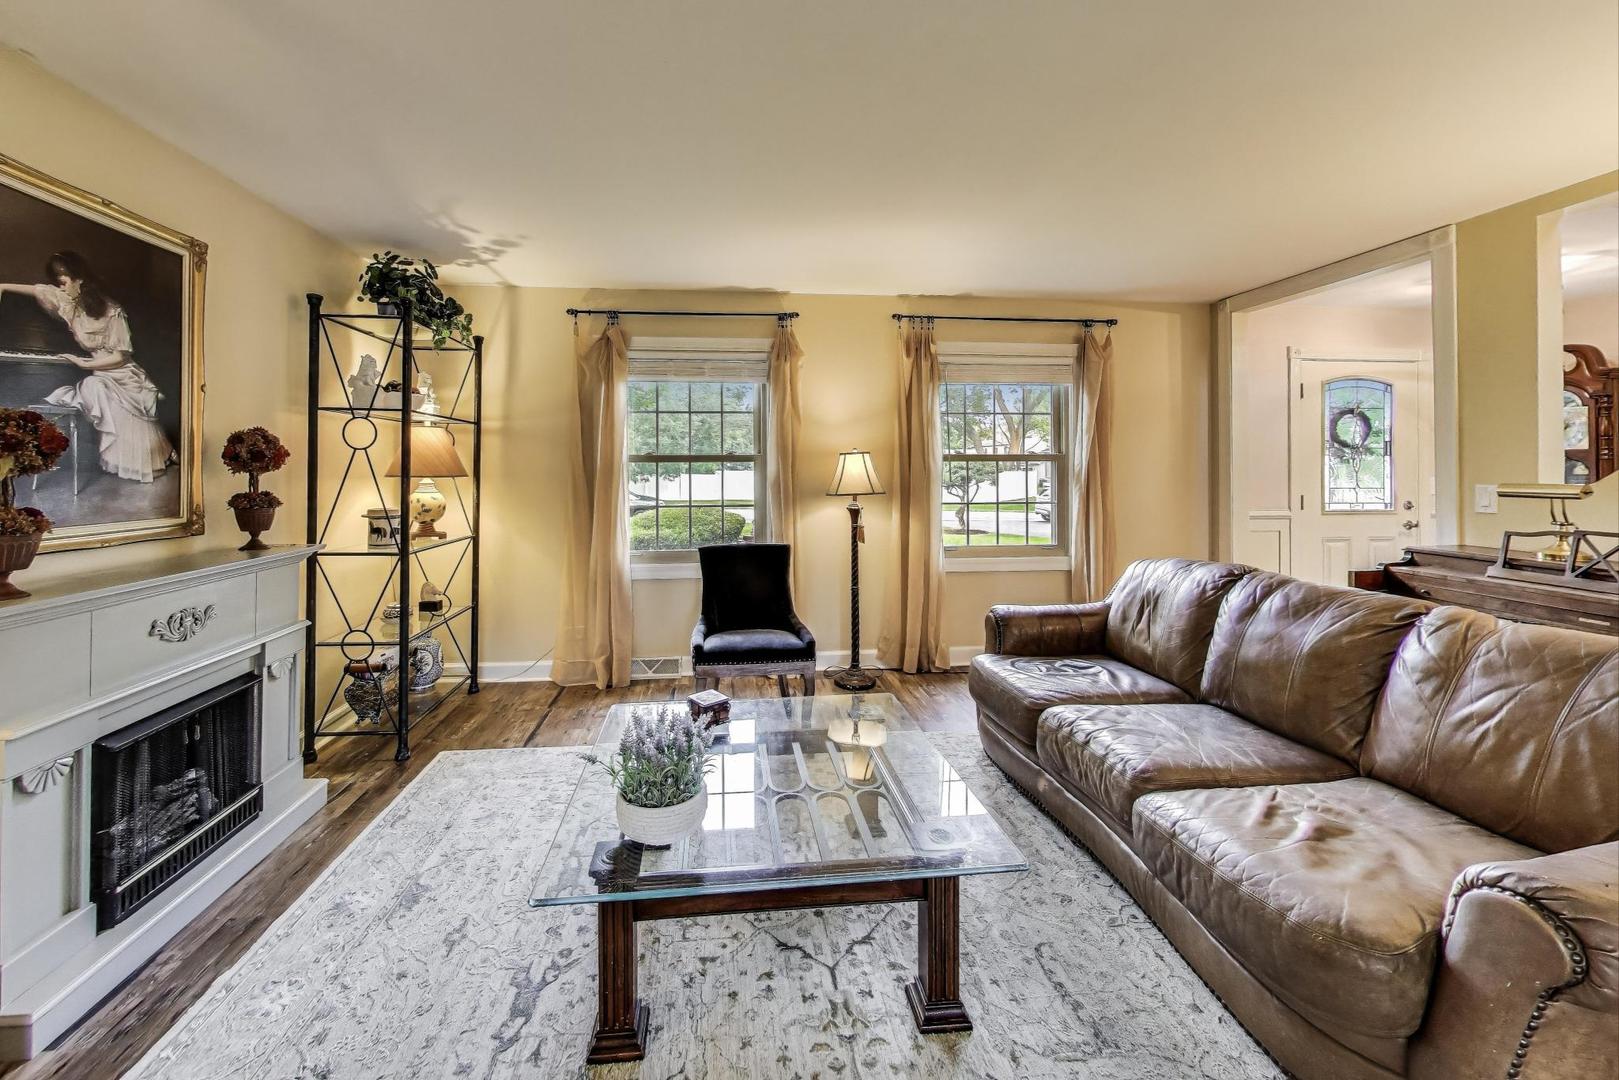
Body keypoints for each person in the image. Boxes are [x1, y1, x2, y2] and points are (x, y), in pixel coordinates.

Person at [0, 251, 175, 482]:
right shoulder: (67, 302)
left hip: (122, 372)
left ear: (80, 280)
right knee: (95, 386)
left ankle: (155, 456)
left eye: (63, 283)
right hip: (100, 373)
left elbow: (120, 356)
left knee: (96, 387)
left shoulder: (111, 310)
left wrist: (84, 362)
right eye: (58, 284)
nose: (60, 289)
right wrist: (2, 287)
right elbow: (37, 290)